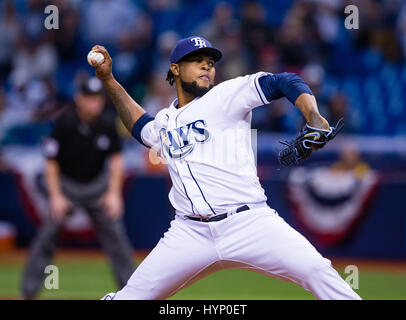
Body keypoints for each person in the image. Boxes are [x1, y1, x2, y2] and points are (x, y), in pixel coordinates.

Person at [91, 36, 361, 300]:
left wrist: (313, 115)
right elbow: (140, 127)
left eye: (210, 61)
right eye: (197, 61)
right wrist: (109, 80)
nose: (207, 66)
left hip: (249, 222)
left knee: (316, 270)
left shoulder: (226, 95)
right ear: (175, 68)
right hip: (189, 233)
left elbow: (284, 81)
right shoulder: (165, 120)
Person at [21, 77, 135, 299]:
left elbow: (115, 161)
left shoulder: (107, 123)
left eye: (98, 98)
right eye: (89, 98)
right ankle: (28, 292)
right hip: (67, 185)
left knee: (116, 237)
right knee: (47, 235)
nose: (94, 103)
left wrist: (113, 194)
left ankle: (132, 292)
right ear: (78, 99)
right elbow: (51, 162)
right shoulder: (65, 122)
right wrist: (55, 196)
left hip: (96, 186)